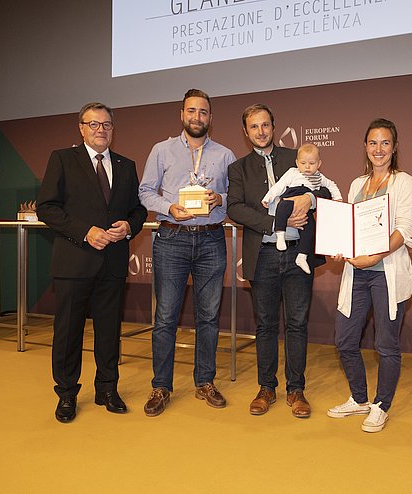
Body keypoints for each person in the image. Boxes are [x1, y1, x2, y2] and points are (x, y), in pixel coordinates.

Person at [37, 102, 147, 423]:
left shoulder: (127, 165)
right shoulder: (62, 159)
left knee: (109, 330)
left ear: (113, 129)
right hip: (74, 261)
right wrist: (85, 232)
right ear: (82, 128)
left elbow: (137, 209)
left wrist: (130, 225)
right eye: (94, 124)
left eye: (107, 125)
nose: (101, 130)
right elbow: (47, 207)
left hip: (112, 263)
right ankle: (67, 393)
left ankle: (107, 388)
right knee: (69, 331)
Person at [138, 89, 236, 416]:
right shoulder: (161, 150)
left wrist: (219, 198)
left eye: (204, 112)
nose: (197, 117)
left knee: (208, 317)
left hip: (211, 240)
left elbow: (235, 195)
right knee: (166, 317)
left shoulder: (225, 155)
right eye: (191, 111)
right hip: (172, 238)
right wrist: (169, 207)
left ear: (210, 117)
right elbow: (145, 192)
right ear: (182, 114)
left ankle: (204, 381)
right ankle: (161, 386)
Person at [227, 104, 321, 418]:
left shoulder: (296, 157)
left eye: (265, 125)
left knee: (297, 324)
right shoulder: (238, 168)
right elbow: (235, 209)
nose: (261, 131)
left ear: (273, 126)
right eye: (254, 127)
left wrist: (309, 199)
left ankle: (296, 389)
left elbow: (323, 191)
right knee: (265, 326)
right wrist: (273, 223)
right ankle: (266, 387)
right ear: (246, 132)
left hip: (298, 255)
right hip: (263, 254)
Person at [326, 118, 412, 433]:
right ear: (365, 147)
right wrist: (341, 248)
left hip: (385, 274)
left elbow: (403, 229)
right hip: (356, 273)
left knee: (386, 344)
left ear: (394, 148)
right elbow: (351, 229)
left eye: (385, 143)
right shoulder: (356, 184)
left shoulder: (404, 182)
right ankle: (359, 398)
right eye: (372, 143)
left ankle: (381, 405)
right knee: (345, 340)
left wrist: (373, 258)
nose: (378, 149)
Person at [261, 143, 342, 274]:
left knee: (309, 229)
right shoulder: (292, 172)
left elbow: (331, 186)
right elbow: (279, 186)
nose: (307, 167)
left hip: (306, 209)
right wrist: (267, 198)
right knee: (282, 207)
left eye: (312, 163)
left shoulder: (320, 177)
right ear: (297, 163)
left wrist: (338, 199)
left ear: (319, 164)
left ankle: (302, 256)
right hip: (290, 198)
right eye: (303, 163)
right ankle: (280, 234)